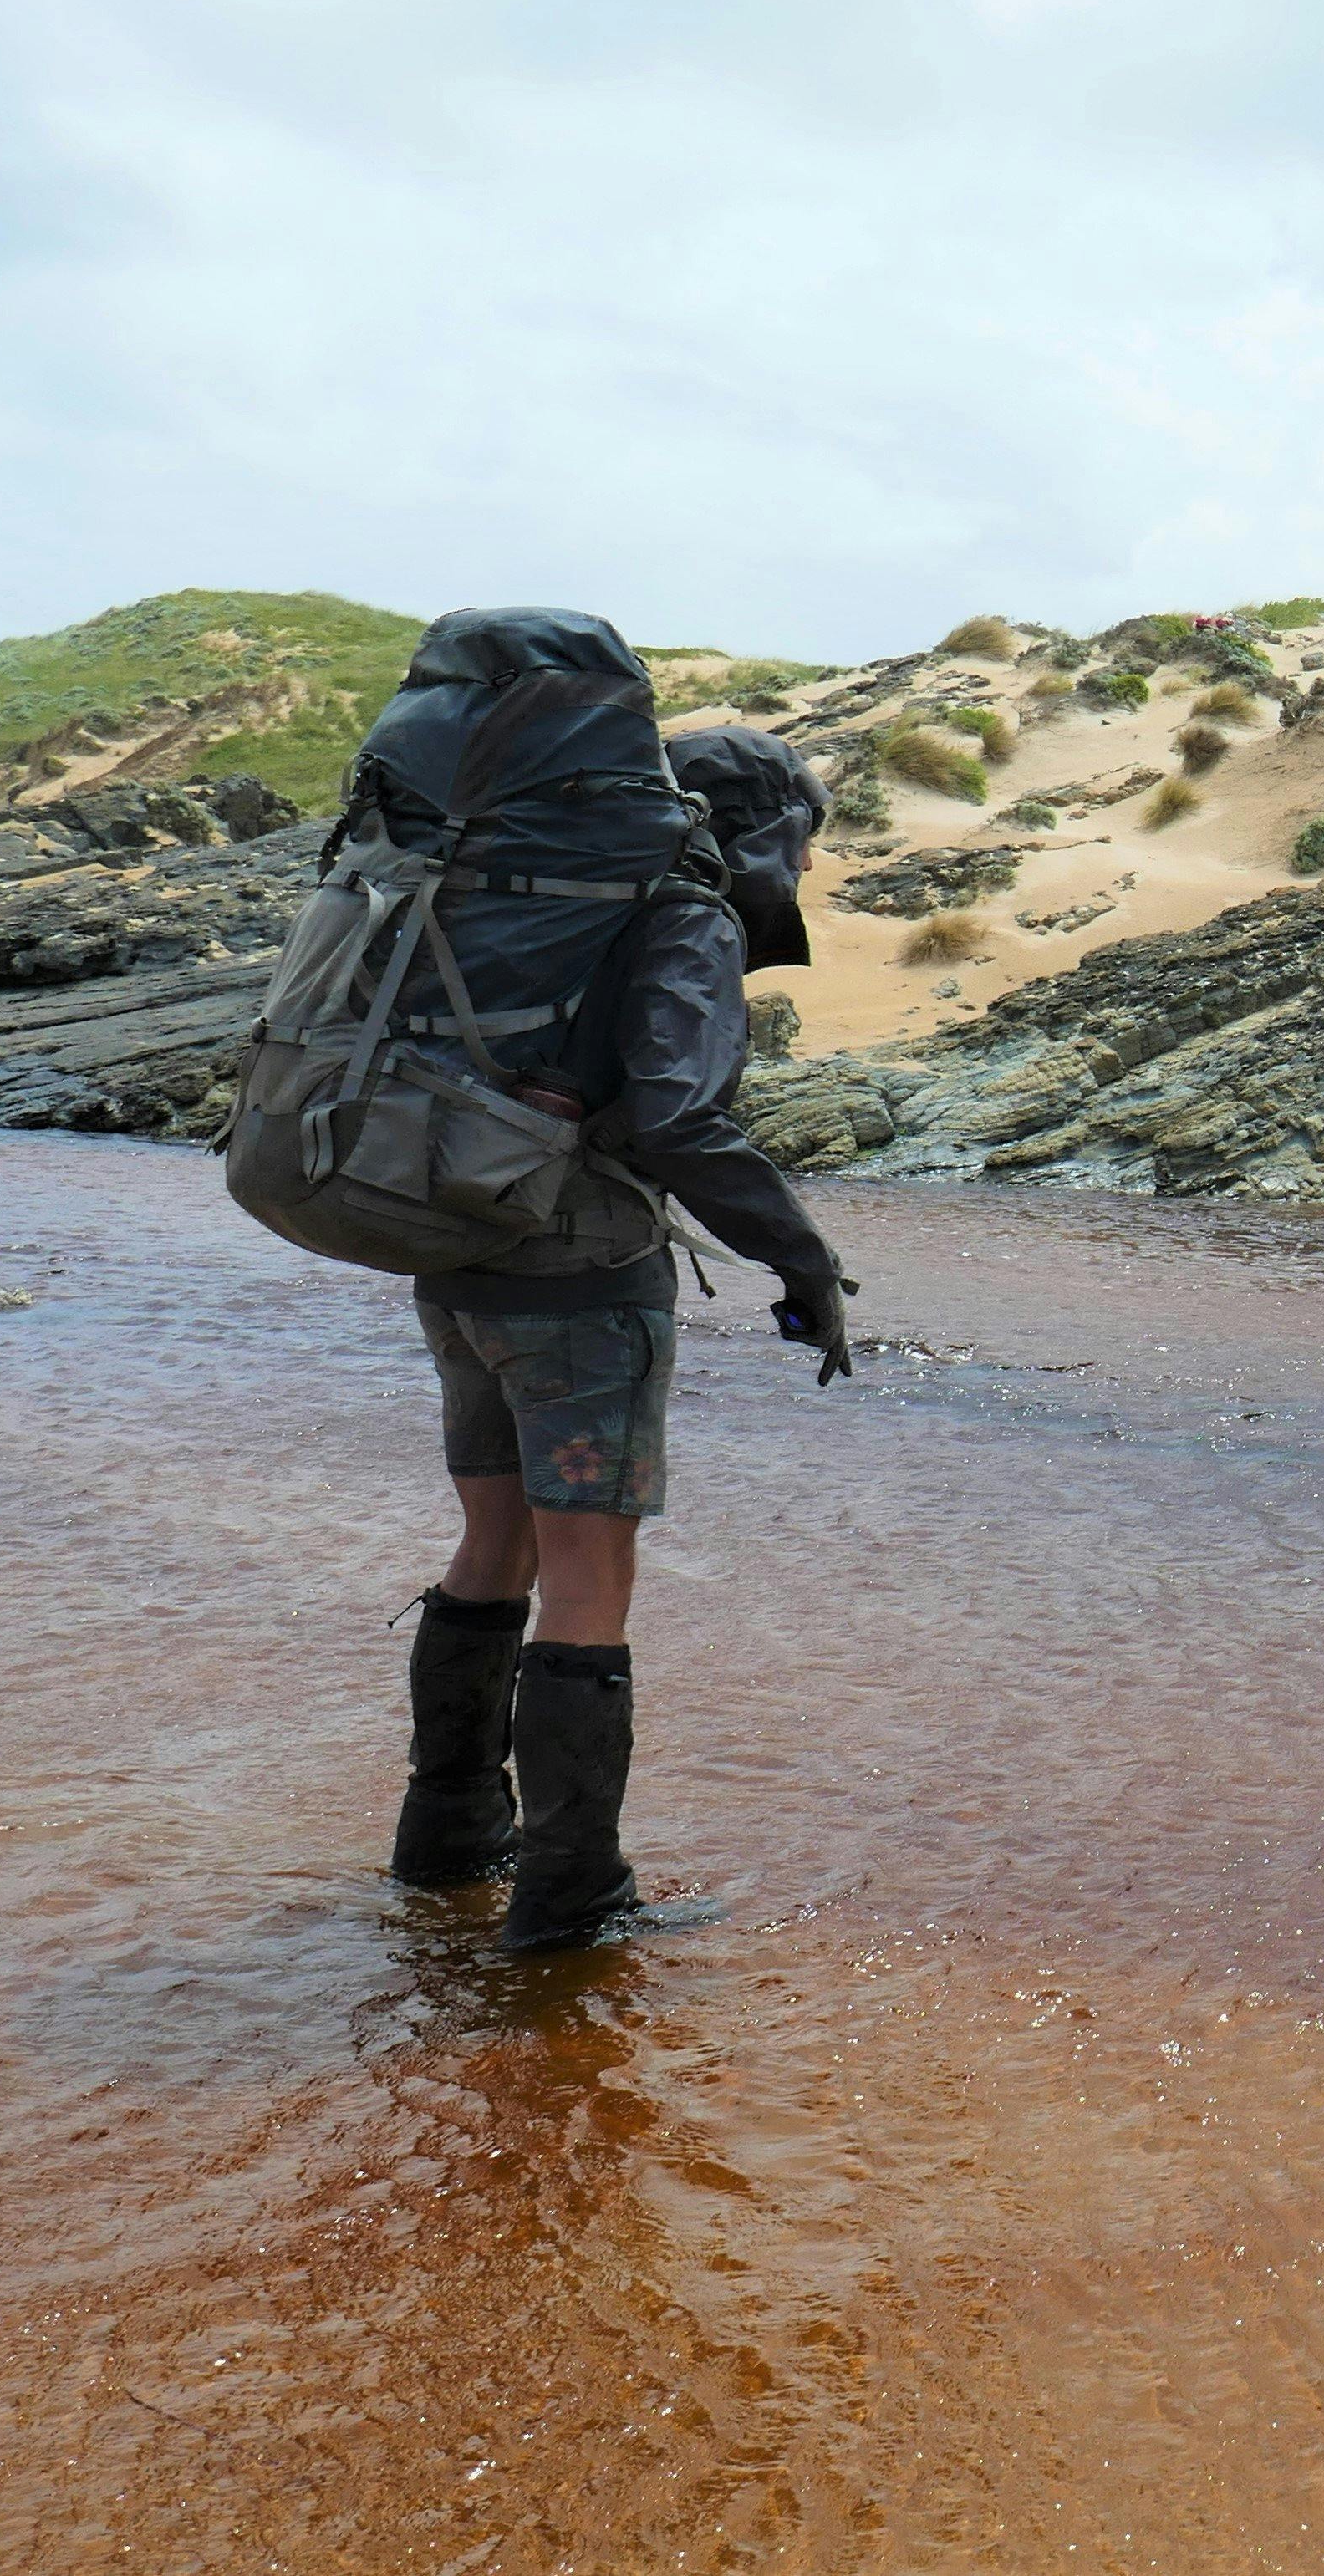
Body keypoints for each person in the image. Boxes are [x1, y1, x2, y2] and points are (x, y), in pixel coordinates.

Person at [392, 720, 858, 1952]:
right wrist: (801, 1257)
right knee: (588, 1579)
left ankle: (446, 1835)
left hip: (455, 1260)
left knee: (493, 1541)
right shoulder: (687, 917)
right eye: (806, 839)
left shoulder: (539, 895)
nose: (809, 867)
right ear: (762, 830)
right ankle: (572, 1895)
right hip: (580, 1285)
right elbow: (676, 1118)